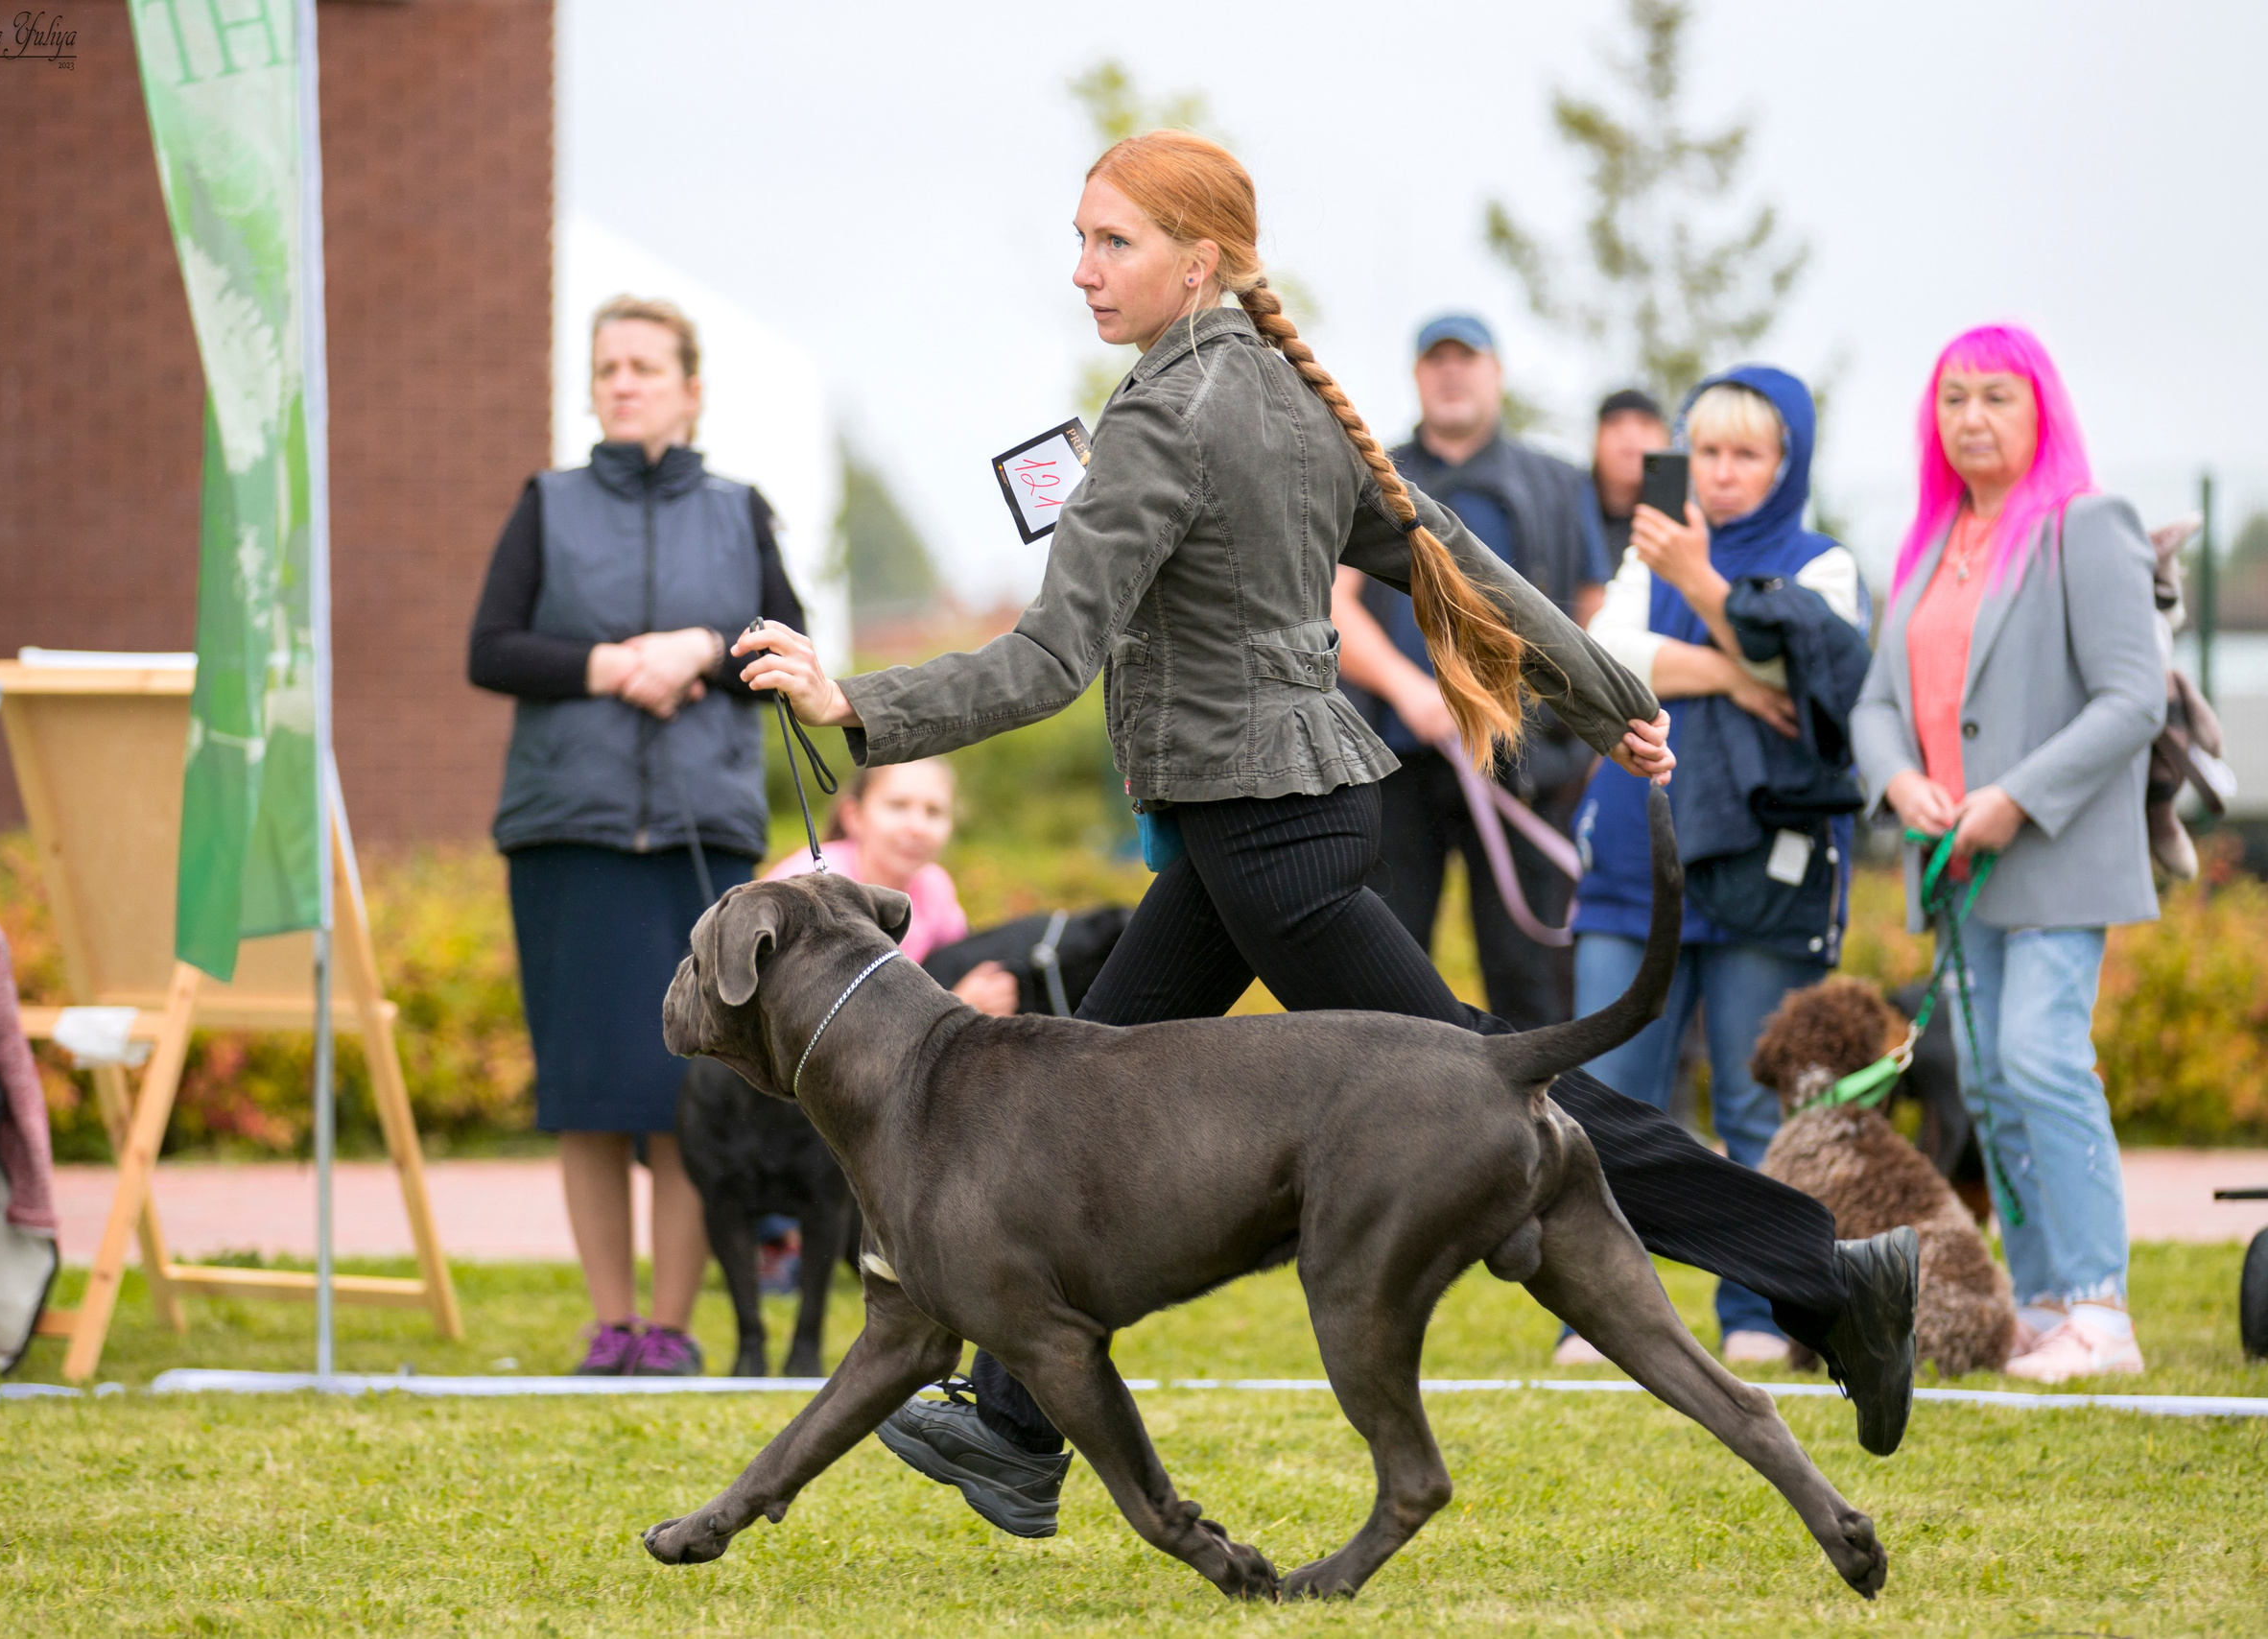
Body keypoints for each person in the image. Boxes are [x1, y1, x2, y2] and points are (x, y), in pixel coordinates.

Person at [735, 130, 1918, 1538]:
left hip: (1265, 840)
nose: (1083, 268)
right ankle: (1011, 1422)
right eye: (1082, 237)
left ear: (1203, 257)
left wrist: (850, 698)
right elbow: (1456, 561)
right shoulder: (1290, 397)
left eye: (1113, 241)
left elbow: (1054, 655)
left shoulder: (1167, 421)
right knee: (1064, 1102)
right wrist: (1602, 695)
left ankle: (1825, 1273)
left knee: (1506, 1098)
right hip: (1271, 821)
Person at [467, 296, 808, 1377]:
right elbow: (492, 648)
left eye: (645, 367)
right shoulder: (546, 504)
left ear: (690, 389)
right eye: (607, 367)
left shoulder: (738, 510)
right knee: (590, 1093)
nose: (622, 382)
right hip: (570, 834)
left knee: (686, 1094)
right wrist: (612, 665)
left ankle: (670, 1327)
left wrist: (700, 648)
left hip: (700, 842)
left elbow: (787, 650)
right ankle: (608, 1322)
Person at [1853, 324, 2163, 1381]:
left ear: (2040, 410)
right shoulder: (1928, 542)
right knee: (1984, 1083)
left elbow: (2135, 696)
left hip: (2051, 853)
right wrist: (1899, 781)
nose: (1971, 417)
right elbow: (1876, 704)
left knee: (2039, 1057)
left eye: (1996, 397)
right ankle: (2037, 1306)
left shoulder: (2085, 525)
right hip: (1952, 866)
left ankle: (2099, 1311)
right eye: (1953, 399)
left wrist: (2014, 800)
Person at [1570, 367, 1872, 1366]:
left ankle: (1757, 1315)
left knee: (1757, 1099)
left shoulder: (1823, 562)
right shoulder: (1641, 547)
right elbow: (1601, 653)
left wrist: (1699, 588)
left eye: (1749, 453)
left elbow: (1818, 663)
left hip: (1762, 872)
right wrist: (1735, 673)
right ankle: (1599, 1317)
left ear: (1788, 464)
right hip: (1628, 855)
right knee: (1604, 1099)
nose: (1725, 473)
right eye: (1707, 451)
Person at [1332, 314, 1608, 1028]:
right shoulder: (1371, 475)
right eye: (1436, 360)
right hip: (1396, 768)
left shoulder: (1557, 482)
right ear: (1418, 375)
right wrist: (1406, 687)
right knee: (1384, 977)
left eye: (1467, 358)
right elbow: (1332, 608)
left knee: (1531, 981)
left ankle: (1548, 1132)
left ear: (1497, 373)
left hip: (1525, 767)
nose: (1451, 373)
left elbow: (1592, 617)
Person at [766, 760, 1021, 1016]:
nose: (918, 827)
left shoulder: (934, 885)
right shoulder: (813, 886)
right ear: (854, 816)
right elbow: (821, 1016)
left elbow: (958, 961)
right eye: (898, 806)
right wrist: (954, 1006)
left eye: (933, 812)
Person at [1586, 388, 1673, 571]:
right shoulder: (1568, 512)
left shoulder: (1688, 522)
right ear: (1596, 440)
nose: (1630, 436)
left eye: (1645, 424)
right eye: (1615, 424)